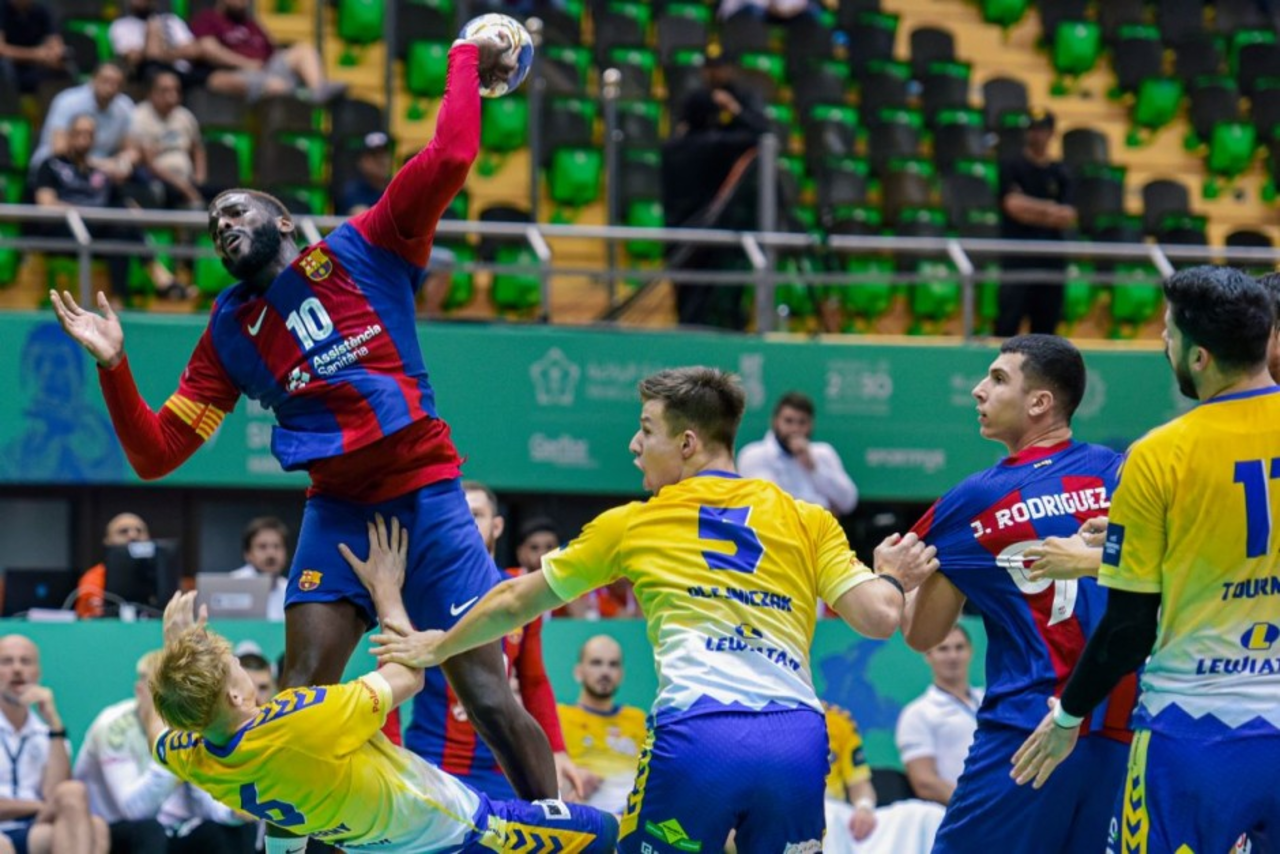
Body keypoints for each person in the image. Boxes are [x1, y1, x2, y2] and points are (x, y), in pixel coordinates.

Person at [50, 34, 563, 833]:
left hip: (428, 497)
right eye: (212, 222)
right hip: (339, 510)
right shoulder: (228, 332)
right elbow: (156, 455)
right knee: (298, 699)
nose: (221, 224)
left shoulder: (369, 245)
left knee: (489, 697)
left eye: (236, 210)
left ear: (283, 219)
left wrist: (463, 52)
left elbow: (454, 154)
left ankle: (560, 832)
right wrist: (115, 366)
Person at [359, 366, 939, 852]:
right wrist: (891, 573)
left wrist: (437, 646)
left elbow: (515, 599)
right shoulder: (807, 518)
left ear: (687, 444)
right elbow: (879, 617)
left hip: (699, 735)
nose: (634, 446)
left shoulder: (634, 523)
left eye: (645, 430)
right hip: (798, 740)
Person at [1011, 267, 1280, 851]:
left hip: (1194, 730)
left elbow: (1129, 629)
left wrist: (1068, 717)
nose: (1162, 341)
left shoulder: (1158, 455)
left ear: (1199, 357)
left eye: (1168, 332)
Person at [146, 519, 618, 852]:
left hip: (380, 845)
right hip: (463, 829)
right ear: (234, 694)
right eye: (235, 667)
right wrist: (387, 590)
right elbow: (410, 675)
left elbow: (157, 735)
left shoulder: (197, 756)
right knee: (612, 835)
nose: (243, 669)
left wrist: (178, 655)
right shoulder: (301, 720)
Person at [902, 334, 1137, 853]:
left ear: (1039, 403)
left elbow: (921, 634)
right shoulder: (1123, 475)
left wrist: (898, 577)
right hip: (1122, 728)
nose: (978, 389)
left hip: (1028, 731)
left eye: (997, 378)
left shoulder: (976, 498)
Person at [401, 480, 587, 801]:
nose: (466, 524)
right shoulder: (421, 591)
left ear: (497, 526)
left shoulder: (521, 593)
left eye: (476, 514)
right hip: (432, 763)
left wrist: (557, 750)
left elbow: (534, 682)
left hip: (504, 765)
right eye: (458, 516)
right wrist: (392, 750)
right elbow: (392, 671)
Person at [75, 650, 251, 854]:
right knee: (150, 831)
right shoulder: (112, 726)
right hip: (111, 831)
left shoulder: (189, 723)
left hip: (173, 830)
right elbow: (134, 810)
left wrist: (233, 812)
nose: (171, 700)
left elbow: (204, 795)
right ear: (140, 691)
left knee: (225, 830)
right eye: (161, 692)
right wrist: (169, 749)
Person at [660, 59, 769, 330]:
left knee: (686, 311)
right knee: (712, 313)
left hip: (677, 238)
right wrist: (735, 109)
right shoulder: (714, 145)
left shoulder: (671, 149)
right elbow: (762, 134)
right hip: (708, 240)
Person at [0, 635, 110, 854]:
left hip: (34, 827)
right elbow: (48, 804)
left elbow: (57, 795)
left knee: (87, 813)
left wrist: (54, 724)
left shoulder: (47, 733)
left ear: (38, 673)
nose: (17, 669)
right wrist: (37, 805)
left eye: (25, 661)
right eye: (7, 661)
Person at [33, 113, 152, 307]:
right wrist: (86, 213)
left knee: (120, 232)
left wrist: (132, 209)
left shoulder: (99, 171)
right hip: (64, 232)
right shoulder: (51, 165)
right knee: (119, 222)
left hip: (99, 234)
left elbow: (126, 205)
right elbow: (46, 204)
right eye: (79, 133)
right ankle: (157, 274)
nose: (83, 138)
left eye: (88, 134)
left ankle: (118, 302)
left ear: (94, 139)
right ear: (69, 135)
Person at [994, 109, 1077, 337]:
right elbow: (1013, 206)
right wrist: (1049, 208)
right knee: (1008, 323)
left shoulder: (1061, 172)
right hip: (1017, 259)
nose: (1036, 135)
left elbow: (1067, 215)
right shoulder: (1011, 166)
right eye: (1032, 129)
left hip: (1051, 261)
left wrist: (1031, 208)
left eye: (1042, 130)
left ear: (1051, 134)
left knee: (1046, 331)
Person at [557, 635, 647, 815]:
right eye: (596, 663)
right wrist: (573, 775)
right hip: (585, 808)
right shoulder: (559, 716)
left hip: (635, 808)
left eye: (613, 664)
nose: (605, 671)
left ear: (621, 675)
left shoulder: (638, 719)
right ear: (578, 671)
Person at [190, 0, 344, 104]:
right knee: (269, 84)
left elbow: (272, 50)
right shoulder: (208, 18)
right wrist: (245, 64)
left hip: (267, 67)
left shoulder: (250, 23)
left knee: (304, 50)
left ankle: (317, 91)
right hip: (237, 72)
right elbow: (208, 49)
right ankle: (296, 93)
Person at [894, 624, 983, 805]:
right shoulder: (916, 713)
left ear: (971, 651)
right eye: (943, 649)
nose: (953, 656)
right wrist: (973, 807)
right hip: (957, 813)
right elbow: (925, 782)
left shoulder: (991, 700)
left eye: (959, 647)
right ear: (928, 655)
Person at [737, 390, 858, 515]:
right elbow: (770, 505)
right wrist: (824, 509)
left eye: (802, 422)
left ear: (811, 424)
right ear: (775, 421)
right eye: (788, 421)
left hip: (820, 527)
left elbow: (848, 502)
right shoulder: (753, 455)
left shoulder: (824, 453)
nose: (795, 429)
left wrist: (814, 468)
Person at [29, 61, 136, 180]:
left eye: (117, 84)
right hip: (57, 166)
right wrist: (103, 165)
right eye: (105, 81)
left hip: (100, 172)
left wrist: (122, 163)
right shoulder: (68, 101)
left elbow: (132, 149)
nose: (110, 88)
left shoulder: (125, 107)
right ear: (93, 79)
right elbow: (60, 149)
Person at [128, 70, 207, 209]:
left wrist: (199, 178)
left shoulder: (185, 116)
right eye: (165, 91)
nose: (172, 96)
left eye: (176, 90)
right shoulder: (139, 117)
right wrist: (185, 188)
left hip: (188, 180)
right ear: (152, 93)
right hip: (158, 181)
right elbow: (150, 164)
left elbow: (197, 148)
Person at [75, 511, 150, 618]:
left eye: (139, 530)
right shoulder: (92, 579)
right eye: (123, 531)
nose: (133, 536)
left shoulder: (163, 576)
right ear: (108, 540)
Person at [108, 0, 202, 85]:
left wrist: (162, 53)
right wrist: (151, 38)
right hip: (146, 74)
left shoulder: (171, 19)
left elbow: (192, 50)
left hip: (182, 72)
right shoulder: (121, 25)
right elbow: (133, 57)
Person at [229, 517, 289, 622]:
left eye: (277, 546)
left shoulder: (290, 591)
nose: (271, 553)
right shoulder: (231, 585)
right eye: (262, 547)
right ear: (248, 554)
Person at [0, 0, 66, 95]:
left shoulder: (43, 8)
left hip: (35, 64)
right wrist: (36, 54)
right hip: (9, 64)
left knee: (62, 65)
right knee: (4, 67)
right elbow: (1, 50)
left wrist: (55, 55)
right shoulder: (2, 8)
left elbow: (55, 43)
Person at [340, 132, 392, 216]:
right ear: (361, 162)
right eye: (374, 156)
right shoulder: (354, 190)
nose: (382, 160)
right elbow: (361, 215)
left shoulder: (395, 186)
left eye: (384, 154)